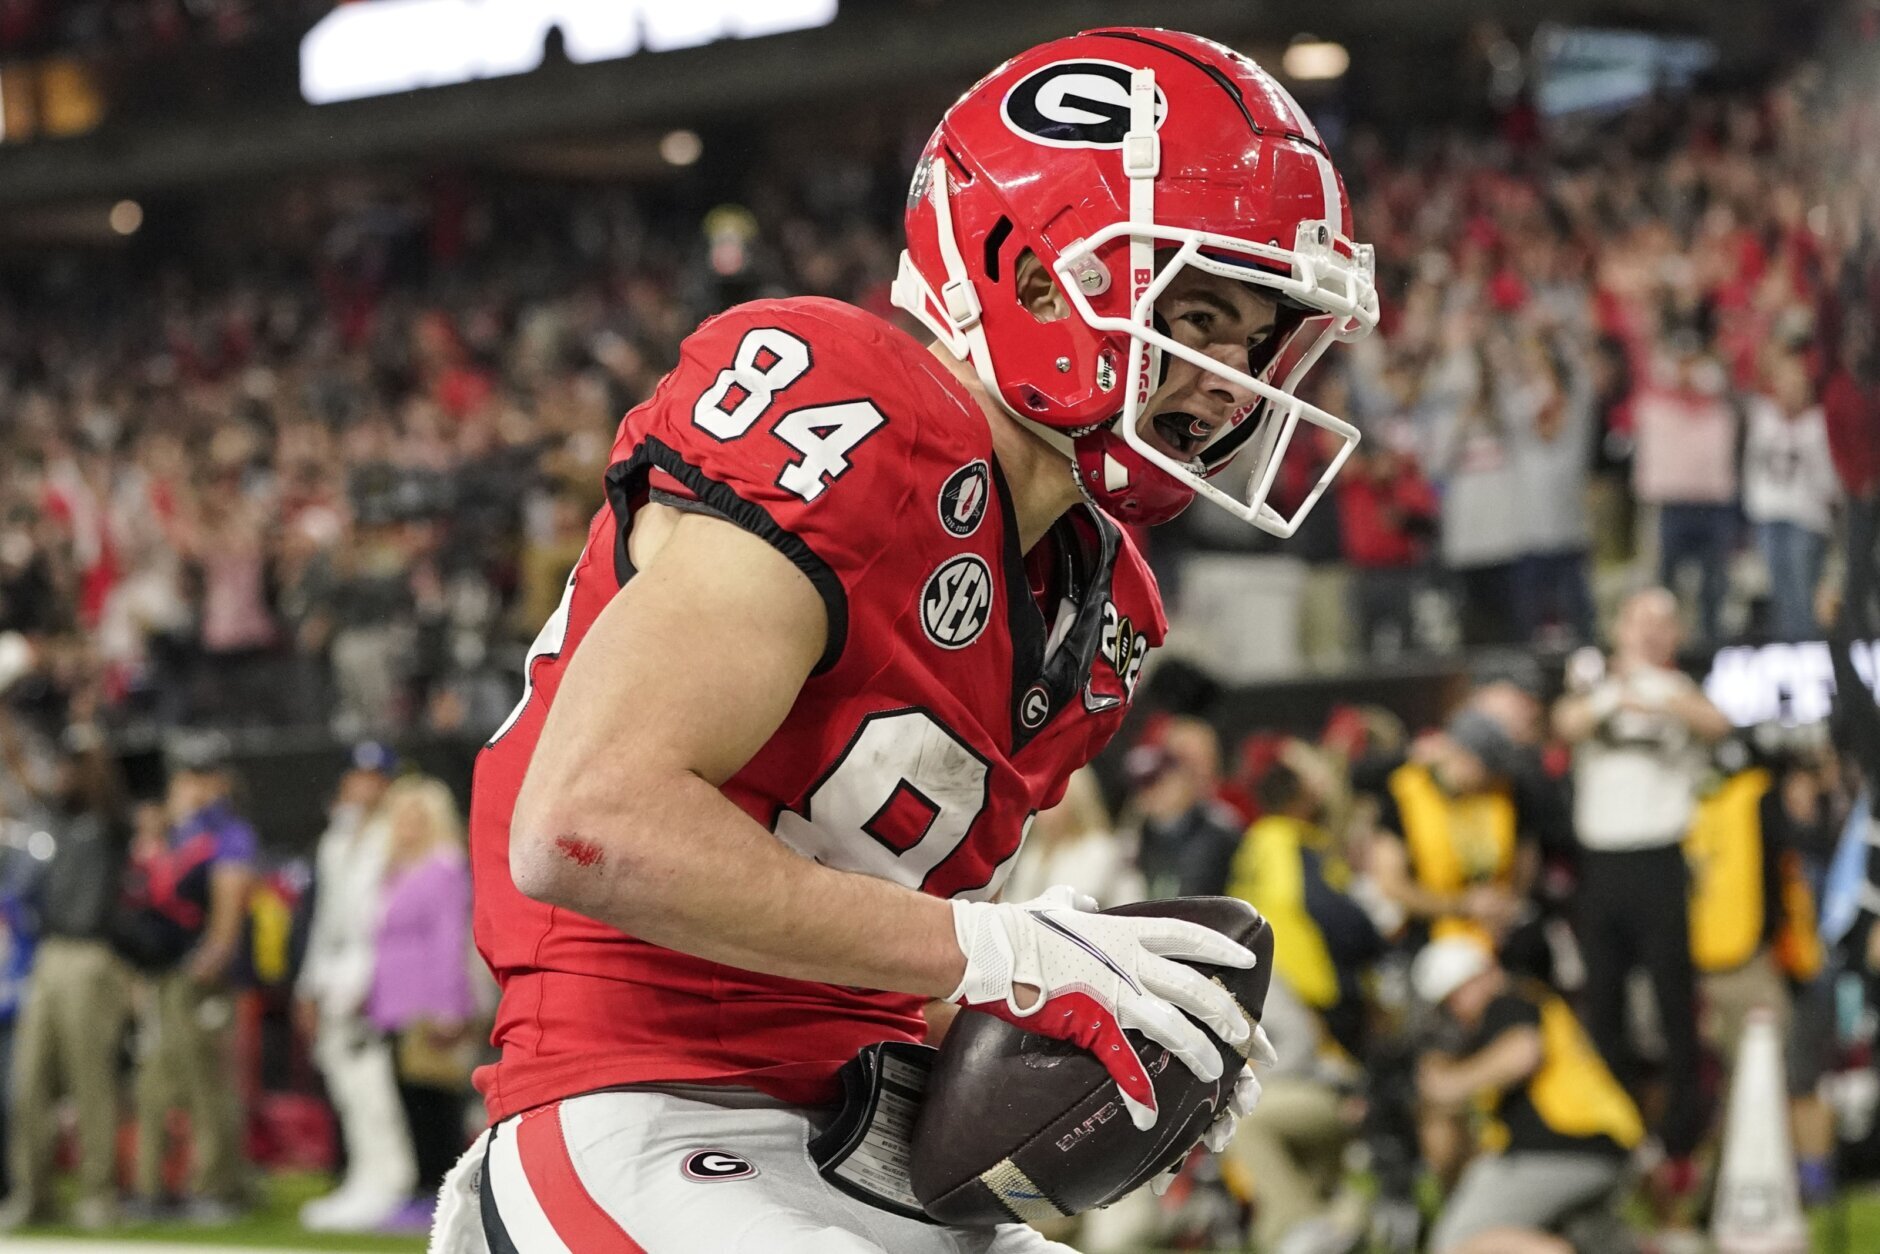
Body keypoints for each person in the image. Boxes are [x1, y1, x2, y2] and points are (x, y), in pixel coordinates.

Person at [446, 29, 1377, 1254]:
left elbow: (877, 941)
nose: (1230, 383)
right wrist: (997, 950)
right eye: (1196, 312)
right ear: (1038, 278)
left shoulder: (1104, 604)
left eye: (1254, 342)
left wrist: (1103, 1023)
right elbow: (586, 823)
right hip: (643, 1101)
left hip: (860, 1137)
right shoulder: (853, 408)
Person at [1552, 587, 1730, 1197]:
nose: (1653, 631)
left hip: (1659, 860)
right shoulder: (1595, 683)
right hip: (1601, 864)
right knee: (1604, 1004)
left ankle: (1680, 1137)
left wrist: (1659, 695)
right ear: (1621, 626)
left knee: (1676, 1002)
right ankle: (1621, 1127)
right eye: (1641, 620)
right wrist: (1616, 692)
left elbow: (1717, 723)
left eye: (1664, 622)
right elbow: (1565, 724)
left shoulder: (1680, 688)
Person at [1414, 939, 1642, 1254]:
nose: (1457, 1006)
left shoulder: (1508, 1001)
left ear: (1488, 972)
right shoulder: (1532, 1004)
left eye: (1459, 991)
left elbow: (1523, 1052)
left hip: (1561, 1145)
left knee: (1458, 1245)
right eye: (1448, 1001)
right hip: (1605, 1146)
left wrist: (1449, 1085)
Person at [0, 698, 131, 1232]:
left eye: (74, 765)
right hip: (49, 956)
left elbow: (103, 787)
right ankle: (34, 1194)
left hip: (91, 957)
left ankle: (99, 1195)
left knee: (90, 1081)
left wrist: (87, 737)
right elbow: (27, 780)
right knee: (28, 1082)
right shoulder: (56, 820)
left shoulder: (108, 823)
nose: (65, 773)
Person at [124, 734, 259, 1222]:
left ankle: (217, 1187)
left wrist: (212, 960)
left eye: (203, 777)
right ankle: (154, 1185)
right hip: (163, 973)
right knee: (157, 1081)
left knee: (208, 1083)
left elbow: (228, 905)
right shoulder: (174, 832)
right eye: (188, 776)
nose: (194, 786)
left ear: (220, 782)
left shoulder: (229, 834)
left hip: (199, 978)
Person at [294, 742, 415, 1232]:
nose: (364, 785)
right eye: (358, 775)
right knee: (346, 1085)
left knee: (374, 1085)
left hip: (373, 971)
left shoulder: (396, 836)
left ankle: (390, 1182)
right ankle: (363, 1178)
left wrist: (372, 979)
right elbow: (326, 922)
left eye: (374, 776)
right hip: (334, 971)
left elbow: (387, 920)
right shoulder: (337, 837)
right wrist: (309, 985)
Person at [367, 776, 477, 1230]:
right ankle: (418, 1188)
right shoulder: (395, 870)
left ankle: (441, 1194)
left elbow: (450, 940)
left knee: (437, 1106)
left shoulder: (444, 867)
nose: (407, 825)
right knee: (410, 1103)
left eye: (417, 815)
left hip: (428, 1005)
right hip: (394, 1004)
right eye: (401, 816)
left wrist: (450, 1007)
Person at [1742, 352, 1837, 640]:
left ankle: (1808, 652)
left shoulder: (1819, 424)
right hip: (1769, 513)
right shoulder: (1763, 417)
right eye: (1784, 382)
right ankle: (1784, 652)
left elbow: (1829, 476)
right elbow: (1751, 463)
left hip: (1807, 518)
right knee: (1778, 592)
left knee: (1803, 592)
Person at [1121, 740, 1242, 901]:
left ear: (1182, 778)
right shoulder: (1136, 839)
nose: (1150, 793)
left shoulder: (1222, 830)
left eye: (1157, 781)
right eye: (1140, 786)